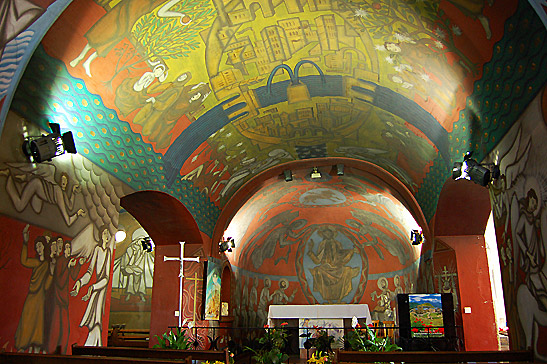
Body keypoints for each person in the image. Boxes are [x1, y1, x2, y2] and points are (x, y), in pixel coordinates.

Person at [0, 166, 86, 226]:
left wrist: (73, 193)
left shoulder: (62, 193)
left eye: (65, 183)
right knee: (19, 206)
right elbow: (68, 221)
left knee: (37, 209)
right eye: (63, 182)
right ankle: (9, 177)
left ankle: (23, 181)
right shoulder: (59, 193)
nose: (64, 185)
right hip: (37, 184)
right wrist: (77, 214)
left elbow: (70, 206)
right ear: (59, 182)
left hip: (39, 193)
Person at [71, 225, 112, 346]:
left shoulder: (108, 252)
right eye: (104, 233)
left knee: (97, 321)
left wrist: (93, 287)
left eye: (107, 234)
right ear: (100, 236)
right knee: (94, 322)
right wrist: (80, 282)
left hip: (100, 288)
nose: (106, 236)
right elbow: (89, 271)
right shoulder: (97, 250)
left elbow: (106, 277)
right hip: (96, 288)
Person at [15, 226, 53, 353]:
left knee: (37, 327)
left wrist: (52, 273)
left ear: (44, 246)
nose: (38, 249)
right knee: (26, 324)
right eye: (37, 247)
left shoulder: (47, 264)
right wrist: (25, 242)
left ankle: (35, 350)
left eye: (40, 246)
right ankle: (23, 347)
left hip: (40, 298)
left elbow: (47, 286)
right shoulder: (36, 263)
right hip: (32, 297)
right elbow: (24, 261)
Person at [307, 226, 359, 303]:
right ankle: (329, 301)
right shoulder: (322, 244)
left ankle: (339, 300)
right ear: (323, 235)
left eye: (329, 233)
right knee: (318, 271)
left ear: (332, 234)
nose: (327, 235)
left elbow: (341, 254)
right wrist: (310, 251)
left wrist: (351, 251)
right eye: (325, 233)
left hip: (337, 267)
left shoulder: (337, 243)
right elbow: (318, 260)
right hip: (326, 268)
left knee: (347, 271)